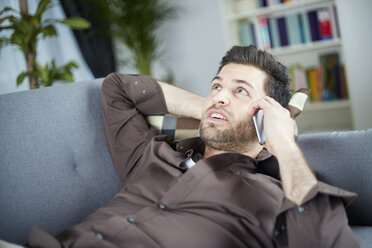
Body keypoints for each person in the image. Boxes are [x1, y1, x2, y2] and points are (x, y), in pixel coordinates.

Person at [7, 45, 359, 248]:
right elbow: (117, 90)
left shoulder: (270, 198)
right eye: (216, 86)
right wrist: (213, 108)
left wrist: (282, 142)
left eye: (240, 91)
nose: (220, 96)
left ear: (269, 116)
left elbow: (326, 241)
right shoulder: (151, 156)